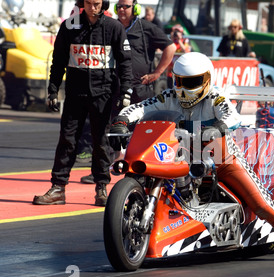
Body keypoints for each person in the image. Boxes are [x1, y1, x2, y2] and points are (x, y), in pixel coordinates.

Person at [109, 52, 274, 263]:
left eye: (191, 82)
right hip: (181, 155)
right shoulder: (169, 96)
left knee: (261, 204)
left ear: (207, 80)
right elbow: (139, 108)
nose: (183, 89)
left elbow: (232, 116)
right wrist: (121, 121)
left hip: (222, 159)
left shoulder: (215, 97)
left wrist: (219, 126)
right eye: (179, 81)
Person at [32, 0, 133, 206]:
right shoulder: (69, 26)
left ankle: (102, 188)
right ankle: (58, 188)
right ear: (81, 3)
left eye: (96, 4)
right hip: (74, 94)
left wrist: (126, 92)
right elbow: (58, 60)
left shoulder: (114, 28)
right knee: (67, 140)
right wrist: (53, 90)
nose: (92, 8)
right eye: (88, 3)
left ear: (103, 4)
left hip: (103, 94)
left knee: (101, 143)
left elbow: (125, 62)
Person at [79, 0, 176, 184]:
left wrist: (157, 73)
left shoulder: (146, 28)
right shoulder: (111, 27)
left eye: (126, 6)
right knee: (104, 130)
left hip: (138, 89)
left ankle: (142, 171)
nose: (122, 10)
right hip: (112, 87)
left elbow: (170, 47)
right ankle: (100, 172)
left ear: (135, 8)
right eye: (120, 6)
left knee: (140, 130)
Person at [166, 24, 191, 88]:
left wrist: (179, 40)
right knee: (170, 89)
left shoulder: (185, 40)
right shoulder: (171, 41)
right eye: (174, 32)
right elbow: (167, 49)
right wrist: (171, 38)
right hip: (171, 71)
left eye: (178, 32)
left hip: (181, 71)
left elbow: (186, 51)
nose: (176, 34)